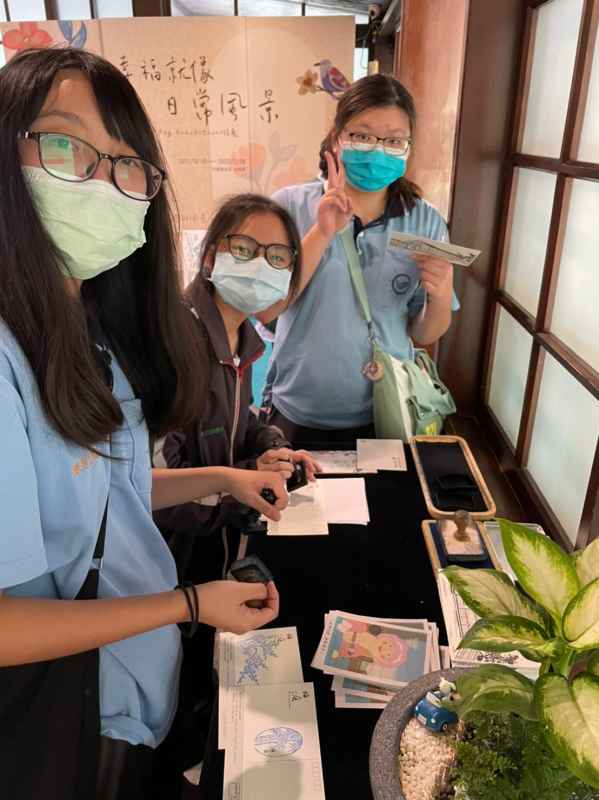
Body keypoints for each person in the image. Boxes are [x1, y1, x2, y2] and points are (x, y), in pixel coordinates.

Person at [0, 48, 288, 800]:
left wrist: (224, 478)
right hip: (65, 707)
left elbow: (107, 493)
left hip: (131, 674)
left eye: (126, 163)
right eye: (65, 145)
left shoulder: (94, 332)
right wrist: (189, 604)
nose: (103, 182)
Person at [261, 73, 459, 446]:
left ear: (408, 147)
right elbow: (268, 308)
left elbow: (424, 333)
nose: (377, 150)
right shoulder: (288, 207)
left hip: (387, 410)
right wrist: (321, 232)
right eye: (363, 136)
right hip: (299, 409)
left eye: (394, 140)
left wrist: (440, 292)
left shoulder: (425, 221)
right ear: (337, 136)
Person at [155, 193, 320, 586]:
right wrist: (247, 480)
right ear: (211, 256)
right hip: (172, 563)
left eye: (277, 257)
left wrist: (273, 450)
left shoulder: (242, 339)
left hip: (219, 545)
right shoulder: (173, 343)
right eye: (244, 249)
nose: (261, 265)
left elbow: (237, 419)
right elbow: (157, 487)